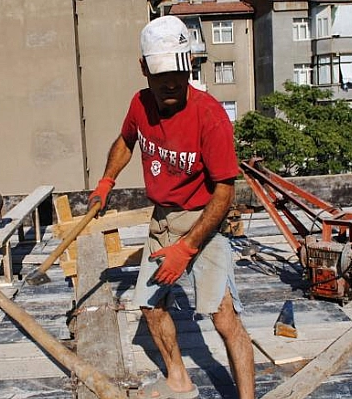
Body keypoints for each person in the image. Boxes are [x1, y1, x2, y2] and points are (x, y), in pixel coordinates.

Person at [88, 15, 255, 399]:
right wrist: (105, 182)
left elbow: (225, 193)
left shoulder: (209, 115)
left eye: (179, 72)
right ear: (143, 68)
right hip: (162, 221)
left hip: (204, 221)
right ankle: (179, 379)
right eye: (161, 74)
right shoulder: (140, 104)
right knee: (149, 305)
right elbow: (124, 141)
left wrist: (187, 248)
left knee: (224, 318)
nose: (171, 83)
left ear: (190, 64)